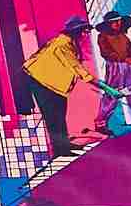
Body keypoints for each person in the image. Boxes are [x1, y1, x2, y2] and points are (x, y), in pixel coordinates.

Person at [21, 18, 87, 153]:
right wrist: (106, 88)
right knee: (53, 115)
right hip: (41, 82)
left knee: (59, 113)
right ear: (75, 31)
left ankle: (64, 145)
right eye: (82, 30)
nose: (85, 33)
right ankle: (60, 149)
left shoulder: (70, 42)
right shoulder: (63, 43)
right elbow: (78, 69)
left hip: (53, 83)